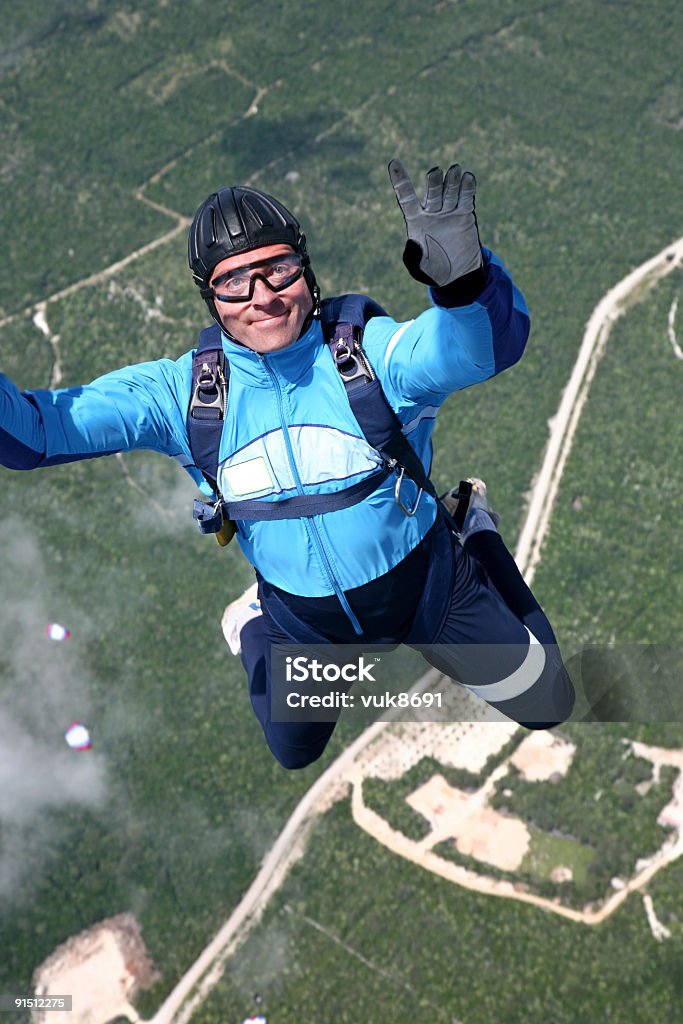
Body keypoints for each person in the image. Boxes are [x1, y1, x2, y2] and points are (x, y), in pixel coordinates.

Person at [0, 158, 574, 768]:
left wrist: (464, 287)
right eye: (235, 283)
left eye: (278, 269)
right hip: (306, 623)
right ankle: (253, 621)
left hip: (428, 585)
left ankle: (473, 532)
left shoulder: (368, 358)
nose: (264, 297)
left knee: (548, 701)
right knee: (294, 751)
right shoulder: (183, 397)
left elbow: (476, 352)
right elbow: (36, 434)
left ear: (307, 268)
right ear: (211, 300)